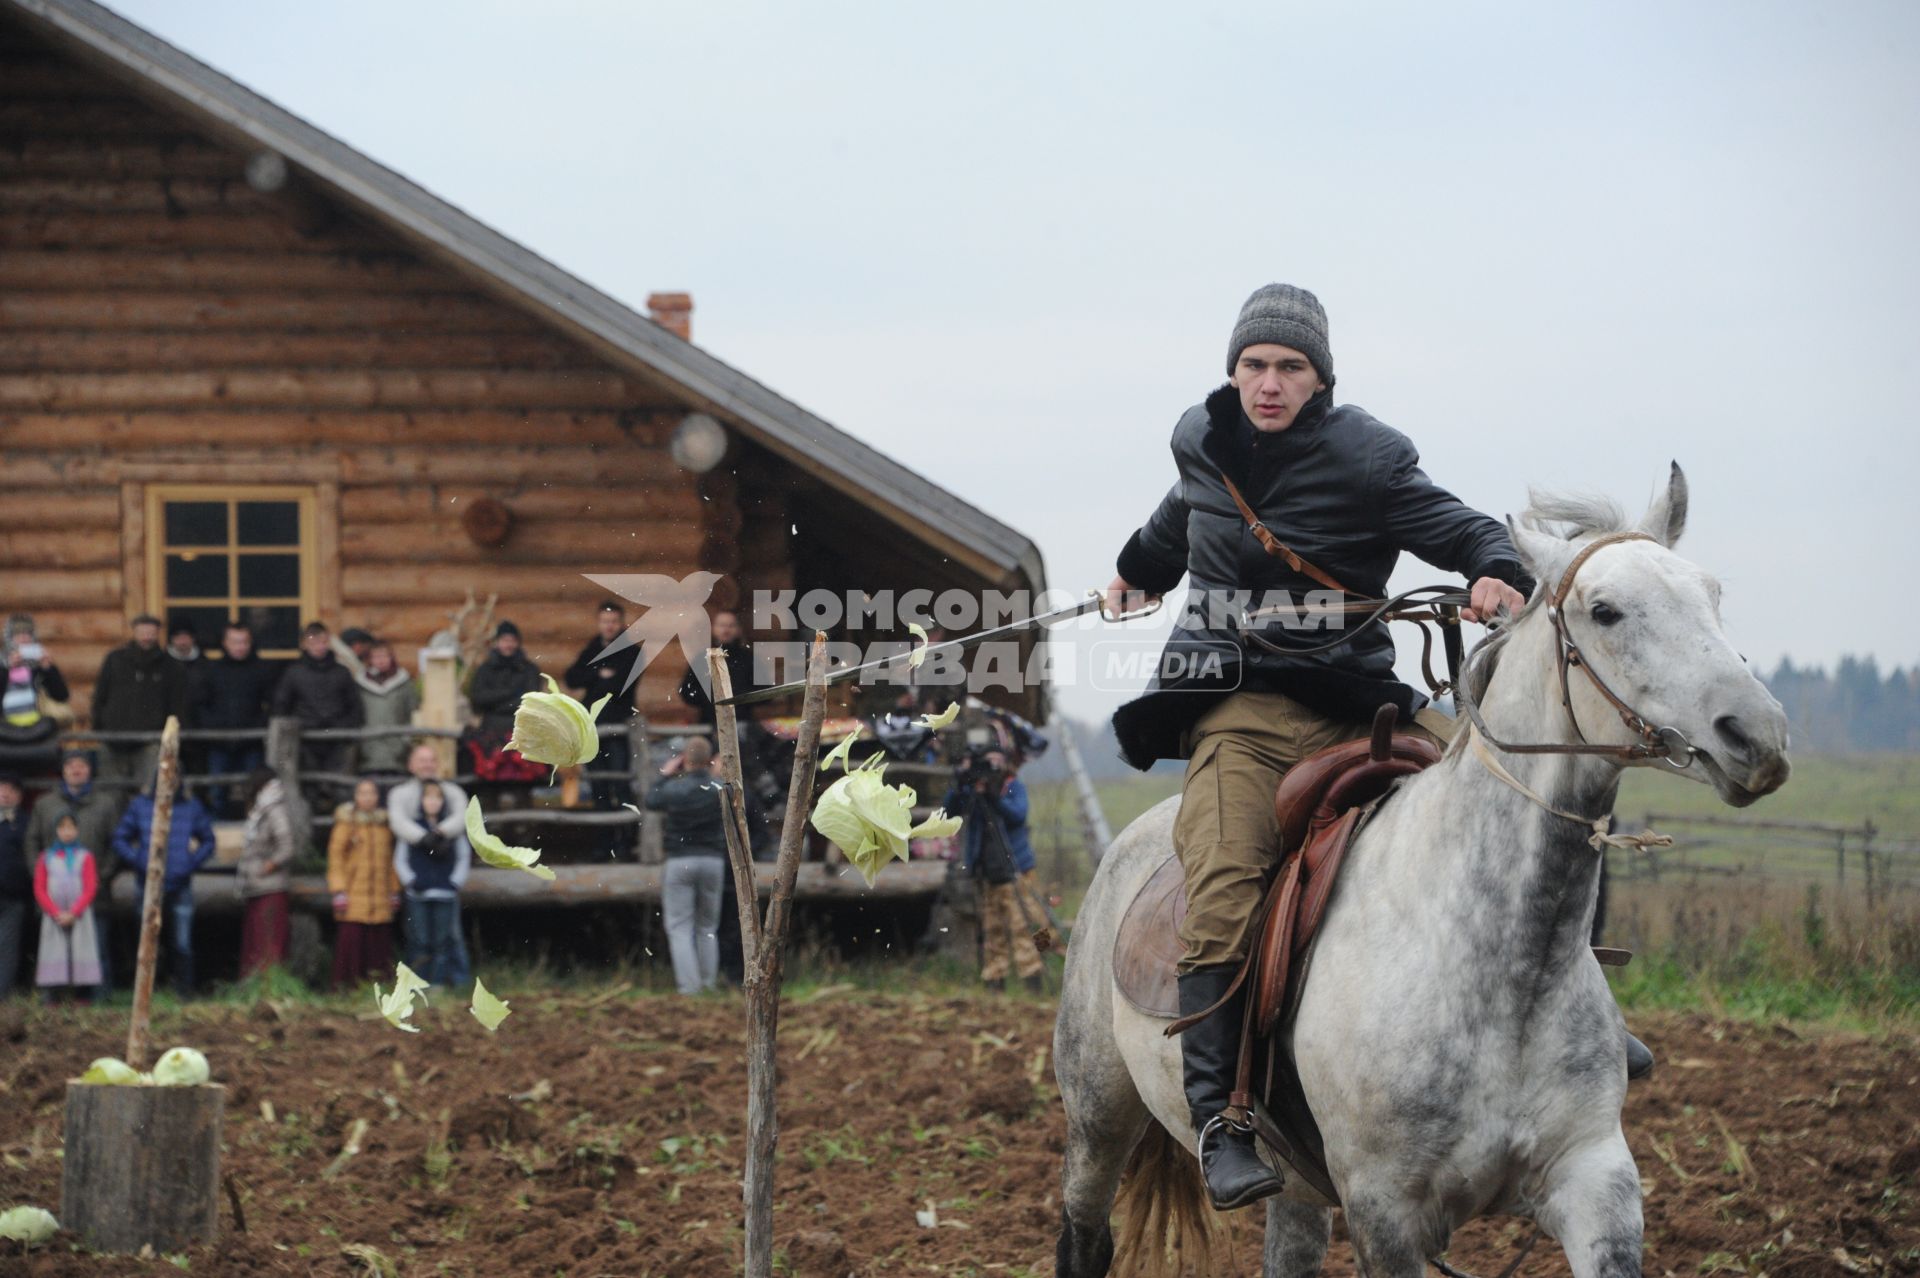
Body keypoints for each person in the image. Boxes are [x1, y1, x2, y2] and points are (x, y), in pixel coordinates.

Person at [1102, 284, 1537, 1209]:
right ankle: (1222, 1121)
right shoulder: (1201, 438)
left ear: (1320, 378)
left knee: (1505, 812)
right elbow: (1183, 515)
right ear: (1232, 373)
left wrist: (1496, 568)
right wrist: (1137, 570)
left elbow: (1456, 526)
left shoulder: (1369, 457)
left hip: (1352, 708)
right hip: (1236, 707)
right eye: (1254, 365)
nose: (1269, 383)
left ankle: (1568, 1016)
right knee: (1222, 887)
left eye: (1289, 367)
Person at [944, 751, 1045, 992]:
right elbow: (948, 812)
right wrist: (960, 781)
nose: (991, 767)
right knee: (992, 929)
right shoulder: (972, 790)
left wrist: (994, 798)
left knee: (1023, 926)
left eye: (995, 761)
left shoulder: (1012, 787)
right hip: (987, 872)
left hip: (1015, 870)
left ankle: (1032, 980)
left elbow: (1017, 815)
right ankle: (994, 979)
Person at [25, 749, 123, 988]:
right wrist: (41, 875)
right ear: (63, 770)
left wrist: (101, 876)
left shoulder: (106, 804)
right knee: (53, 951)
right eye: (71, 765)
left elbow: (116, 843)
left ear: (90, 770)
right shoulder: (44, 804)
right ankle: (55, 999)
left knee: (95, 948)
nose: (76, 770)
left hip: (94, 895)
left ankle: (99, 1000)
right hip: (53, 897)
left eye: (82, 765)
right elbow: (32, 841)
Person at [113, 781, 217, 996]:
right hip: (148, 884)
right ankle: (145, 992)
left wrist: (190, 863)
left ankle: (184, 993)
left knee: (182, 944)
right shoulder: (140, 805)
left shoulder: (191, 807)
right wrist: (139, 861)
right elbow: (120, 838)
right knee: (146, 942)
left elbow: (208, 840)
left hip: (180, 884)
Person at [644, 738, 727, 995]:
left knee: (680, 927)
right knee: (707, 927)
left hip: (680, 861)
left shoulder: (673, 788)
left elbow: (651, 800)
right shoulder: (718, 788)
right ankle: (708, 983)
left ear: (684, 759)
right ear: (710, 759)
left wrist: (665, 774)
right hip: (713, 860)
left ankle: (689, 988)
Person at [564, 601, 640, 854]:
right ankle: (603, 844)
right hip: (592, 727)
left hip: (617, 726)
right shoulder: (592, 649)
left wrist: (598, 678)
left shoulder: (631, 652)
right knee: (598, 785)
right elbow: (572, 677)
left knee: (621, 784)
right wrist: (599, 674)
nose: (609, 626)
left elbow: (621, 685)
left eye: (613, 621)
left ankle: (627, 842)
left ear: (621, 623)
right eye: (605, 621)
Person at [91, 614, 187, 793]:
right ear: (134, 632)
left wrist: (168, 735)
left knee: (149, 790)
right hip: (113, 739)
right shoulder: (115, 659)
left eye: (151, 632)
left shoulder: (171, 666)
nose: (146, 636)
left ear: (158, 633)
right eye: (142, 631)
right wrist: (100, 727)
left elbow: (176, 706)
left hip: (150, 741)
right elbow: (100, 695)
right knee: (111, 793)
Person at [272, 622, 363, 805]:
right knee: (307, 789)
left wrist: (345, 729)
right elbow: (281, 706)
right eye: (313, 642)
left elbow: (355, 707)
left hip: (337, 740)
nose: (318, 647)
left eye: (322, 641)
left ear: (328, 643)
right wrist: (295, 727)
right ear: (304, 644)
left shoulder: (342, 673)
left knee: (340, 790)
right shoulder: (294, 673)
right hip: (305, 740)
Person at [193, 622, 277, 819]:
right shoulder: (211, 670)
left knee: (256, 792)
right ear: (225, 643)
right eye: (235, 642)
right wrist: (214, 729)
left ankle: (257, 836)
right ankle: (215, 839)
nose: (240, 647)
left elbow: (272, 704)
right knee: (217, 792)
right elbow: (200, 705)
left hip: (251, 742)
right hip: (219, 743)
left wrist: (257, 727)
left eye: (244, 642)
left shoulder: (261, 670)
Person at [392, 778, 471, 987]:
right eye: (428, 798)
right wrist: (410, 881)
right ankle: (416, 984)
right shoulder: (413, 829)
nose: (433, 802)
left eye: (437, 798)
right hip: (418, 894)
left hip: (445, 894)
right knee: (419, 941)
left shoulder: (452, 832)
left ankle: (437, 984)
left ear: (443, 802)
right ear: (422, 801)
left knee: (442, 942)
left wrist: (454, 882)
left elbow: (464, 857)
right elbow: (400, 859)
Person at [330, 777, 402, 988]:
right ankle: (347, 987)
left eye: (371, 793)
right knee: (352, 943)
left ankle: (377, 987)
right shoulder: (346, 824)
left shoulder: (384, 826)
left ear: (378, 798)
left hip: (380, 894)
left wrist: (394, 890)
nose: (367, 798)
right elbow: (336, 858)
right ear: (355, 797)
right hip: (353, 894)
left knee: (378, 944)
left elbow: (391, 860)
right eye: (363, 793)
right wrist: (339, 890)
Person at [466, 621, 544, 800]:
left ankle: (523, 827)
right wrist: (510, 693)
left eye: (511, 640)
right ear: (497, 642)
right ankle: (491, 825)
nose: (508, 644)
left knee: (523, 787)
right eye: (504, 640)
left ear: (517, 642)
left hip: (520, 734)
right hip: (491, 737)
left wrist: (495, 702)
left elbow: (529, 700)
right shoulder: (484, 670)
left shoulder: (529, 669)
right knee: (490, 786)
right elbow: (478, 698)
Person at [236, 768, 298, 977]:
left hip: (270, 886)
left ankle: (271, 985)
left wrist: (268, 866)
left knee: (269, 943)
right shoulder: (260, 811)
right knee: (257, 941)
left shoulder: (274, 810)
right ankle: (256, 986)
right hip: (256, 886)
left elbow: (287, 847)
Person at [34, 813, 102, 1003]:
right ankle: (52, 997)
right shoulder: (46, 857)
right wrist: (55, 912)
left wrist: (74, 912)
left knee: (82, 950)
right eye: (62, 827)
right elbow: (40, 887)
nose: (67, 832)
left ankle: (83, 997)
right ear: (56, 831)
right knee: (53, 951)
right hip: (54, 916)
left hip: (79, 915)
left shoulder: (85, 856)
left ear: (77, 830)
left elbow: (90, 886)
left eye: (71, 827)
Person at [0, 625, 70, 776]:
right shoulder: (2, 665)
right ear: (9, 640)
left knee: (40, 776)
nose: (24, 639)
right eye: (18, 635)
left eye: (27, 635)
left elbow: (61, 696)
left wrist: (48, 669)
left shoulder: (40, 667)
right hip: (6, 734)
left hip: (38, 733)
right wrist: (7, 669)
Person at [677, 609, 757, 727]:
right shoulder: (702, 659)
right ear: (714, 629)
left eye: (731, 626)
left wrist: (739, 698)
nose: (726, 630)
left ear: (738, 630)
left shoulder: (749, 659)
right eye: (722, 625)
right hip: (709, 722)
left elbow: (764, 690)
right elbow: (686, 691)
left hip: (742, 722)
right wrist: (710, 698)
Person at [354, 643, 417, 775]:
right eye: (376, 657)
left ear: (391, 658)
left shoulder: (404, 684)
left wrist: (405, 741)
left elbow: (412, 712)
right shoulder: (360, 685)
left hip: (397, 750)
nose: (381, 660)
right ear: (370, 660)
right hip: (368, 749)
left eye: (384, 656)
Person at [0, 775, 29, 999]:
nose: (5, 794)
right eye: (1, 790)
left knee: (8, 946)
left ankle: (3, 994)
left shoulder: (26, 822)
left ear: (19, 796)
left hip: (13, 893)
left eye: (10, 790)